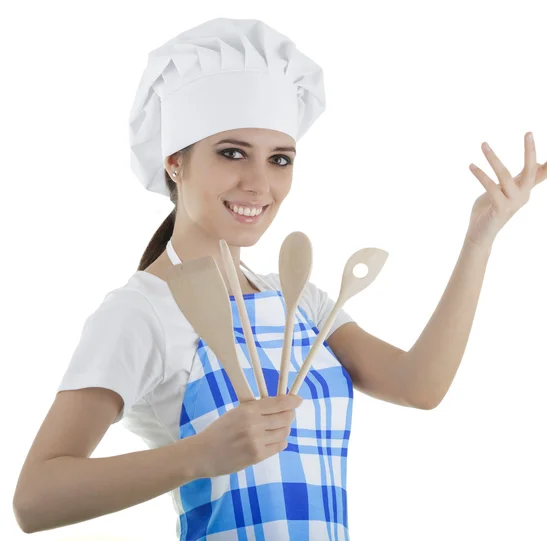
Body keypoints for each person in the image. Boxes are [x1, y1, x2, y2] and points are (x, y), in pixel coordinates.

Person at [13, 18, 369, 540]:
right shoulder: (141, 311)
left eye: (280, 159)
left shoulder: (295, 297)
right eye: (232, 152)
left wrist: (482, 236)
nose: (259, 182)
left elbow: (419, 387)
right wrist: (199, 455)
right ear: (175, 162)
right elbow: (35, 500)